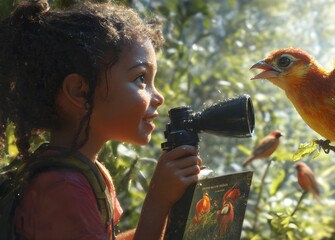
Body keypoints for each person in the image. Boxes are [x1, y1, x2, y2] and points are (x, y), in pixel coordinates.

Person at [0, 0, 202, 239]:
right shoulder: (63, 189)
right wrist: (157, 200)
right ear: (80, 92)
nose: (158, 96)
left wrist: (175, 215)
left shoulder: (86, 172)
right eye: (140, 79)